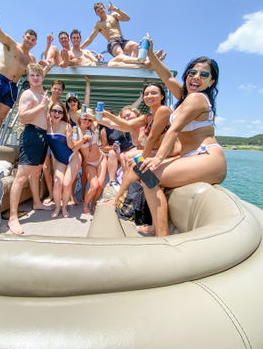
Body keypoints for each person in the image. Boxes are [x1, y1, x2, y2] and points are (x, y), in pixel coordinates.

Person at [137, 40, 227, 236]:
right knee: (145, 170)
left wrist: (158, 159)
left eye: (203, 75)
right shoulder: (187, 97)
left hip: (207, 158)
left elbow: (174, 129)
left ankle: (161, 236)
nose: (196, 77)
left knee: (147, 175)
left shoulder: (197, 99)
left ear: (211, 82)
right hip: (194, 157)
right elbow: (167, 76)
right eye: (192, 73)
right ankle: (156, 226)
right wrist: (151, 54)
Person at [98, 83, 180, 237]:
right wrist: (105, 114)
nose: (149, 96)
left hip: (172, 155)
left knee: (140, 168)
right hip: (161, 155)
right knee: (134, 168)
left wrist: (142, 159)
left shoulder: (163, 111)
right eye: (146, 93)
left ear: (162, 96)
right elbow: (126, 125)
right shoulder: (149, 116)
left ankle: (161, 232)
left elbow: (152, 137)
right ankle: (117, 200)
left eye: (153, 93)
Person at [0, 0, 38, 145]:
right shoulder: (11, 44)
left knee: (1, 115)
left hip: (12, 86)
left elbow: (36, 73)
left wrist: (44, 65)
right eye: (28, 38)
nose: (30, 41)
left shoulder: (31, 58)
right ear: (23, 37)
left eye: (33, 40)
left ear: (35, 43)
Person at [8, 64, 51, 235]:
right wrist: (42, 106)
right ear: (28, 78)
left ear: (42, 78)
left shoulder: (42, 95)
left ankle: (36, 203)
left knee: (36, 173)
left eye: (38, 75)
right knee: (21, 177)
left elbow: (42, 117)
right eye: (32, 75)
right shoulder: (28, 94)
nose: (35, 78)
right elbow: (23, 118)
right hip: (31, 134)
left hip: (42, 136)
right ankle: (12, 217)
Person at [47, 102, 82, 218]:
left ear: (63, 114)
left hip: (73, 157)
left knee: (67, 184)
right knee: (57, 184)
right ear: (50, 112)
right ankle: (57, 207)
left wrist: (69, 136)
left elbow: (72, 147)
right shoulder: (46, 125)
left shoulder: (66, 126)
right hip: (59, 160)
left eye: (60, 112)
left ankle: (64, 208)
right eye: (54, 111)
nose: (57, 113)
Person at [74, 108, 107, 214]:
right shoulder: (76, 131)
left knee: (101, 186)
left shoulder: (92, 127)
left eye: (89, 120)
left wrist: (92, 115)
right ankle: (86, 205)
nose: (87, 121)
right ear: (80, 118)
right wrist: (83, 139)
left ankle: (93, 203)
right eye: (84, 118)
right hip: (89, 163)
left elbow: (99, 118)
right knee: (94, 186)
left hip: (101, 159)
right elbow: (74, 148)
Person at [42, 79, 66, 205]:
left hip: (55, 138)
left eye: (59, 89)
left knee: (56, 167)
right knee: (46, 167)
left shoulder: (61, 106)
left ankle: (58, 192)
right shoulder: (45, 100)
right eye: (55, 88)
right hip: (45, 136)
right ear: (51, 88)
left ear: (62, 92)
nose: (57, 91)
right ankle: (51, 194)